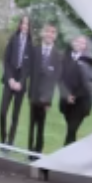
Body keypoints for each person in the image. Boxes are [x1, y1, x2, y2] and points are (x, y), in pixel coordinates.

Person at [26, 23, 65, 155]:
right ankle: (29, 149)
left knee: (41, 125)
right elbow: (30, 72)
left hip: (45, 98)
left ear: (55, 36)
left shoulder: (58, 56)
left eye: (53, 32)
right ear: (43, 33)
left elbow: (55, 80)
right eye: (47, 31)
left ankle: (37, 151)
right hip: (33, 94)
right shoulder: (35, 51)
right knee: (31, 123)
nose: (49, 34)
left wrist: (49, 101)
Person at [0, 15, 31, 147]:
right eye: (23, 23)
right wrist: (10, 79)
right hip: (9, 80)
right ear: (20, 25)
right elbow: (6, 61)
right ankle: (3, 138)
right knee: (2, 112)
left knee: (15, 115)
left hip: (20, 84)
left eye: (27, 24)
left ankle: (10, 142)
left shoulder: (31, 46)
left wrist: (20, 82)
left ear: (29, 27)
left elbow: (28, 69)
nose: (24, 26)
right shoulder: (13, 39)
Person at [60, 35, 92, 146]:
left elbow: (87, 84)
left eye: (82, 42)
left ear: (85, 46)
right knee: (71, 131)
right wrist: (67, 95)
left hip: (81, 102)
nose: (79, 44)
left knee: (71, 130)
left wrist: (73, 96)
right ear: (73, 43)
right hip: (67, 102)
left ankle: (63, 155)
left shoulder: (88, 61)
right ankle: (72, 154)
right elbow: (60, 78)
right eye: (77, 41)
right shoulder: (65, 57)